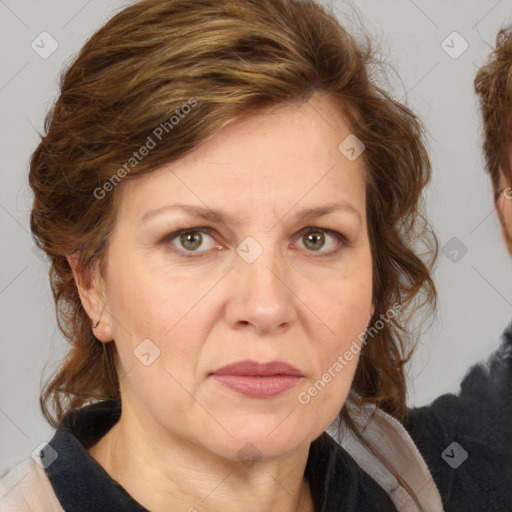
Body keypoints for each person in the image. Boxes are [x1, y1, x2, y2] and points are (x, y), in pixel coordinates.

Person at [0, 0, 509, 511]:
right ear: (92, 283)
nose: (266, 307)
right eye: (192, 239)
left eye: (316, 238)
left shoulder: (450, 479)